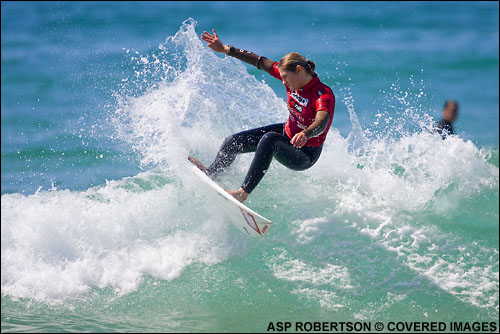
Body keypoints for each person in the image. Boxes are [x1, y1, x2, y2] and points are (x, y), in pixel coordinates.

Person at [189, 29, 335, 203]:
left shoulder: (322, 95)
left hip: (305, 154)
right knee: (232, 142)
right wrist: (226, 50)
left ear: (298, 70)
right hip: (287, 134)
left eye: (285, 77)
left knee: (270, 139)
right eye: (282, 77)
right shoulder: (292, 79)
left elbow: (322, 122)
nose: (284, 82)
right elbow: (259, 61)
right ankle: (212, 174)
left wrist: (306, 134)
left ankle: (241, 194)